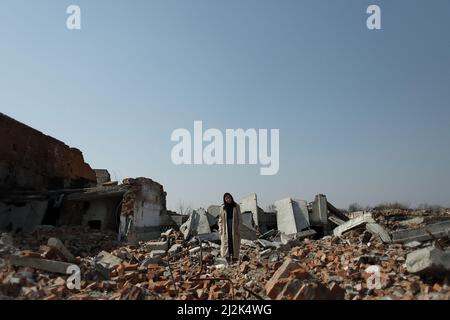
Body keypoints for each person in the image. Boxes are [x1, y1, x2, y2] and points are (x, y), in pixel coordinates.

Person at [218, 193, 242, 263]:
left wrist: (239, 227)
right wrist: (220, 229)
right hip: (225, 226)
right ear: (224, 200)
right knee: (226, 243)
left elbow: (240, 218)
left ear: (231, 198)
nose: (228, 199)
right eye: (226, 198)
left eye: (229, 197)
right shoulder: (223, 207)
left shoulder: (236, 206)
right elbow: (220, 219)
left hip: (234, 226)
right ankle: (227, 259)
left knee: (234, 242)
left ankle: (234, 259)